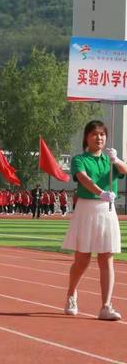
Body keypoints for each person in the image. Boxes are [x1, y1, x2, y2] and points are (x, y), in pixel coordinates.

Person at [63, 120, 127, 321]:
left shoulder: (110, 159)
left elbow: (125, 170)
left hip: (107, 210)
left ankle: (106, 305)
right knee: (82, 260)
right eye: (94, 134)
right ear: (86, 138)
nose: (98, 138)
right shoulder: (79, 159)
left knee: (106, 258)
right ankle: (71, 293)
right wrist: (100, 192)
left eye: (102, 135)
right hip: (87, 208)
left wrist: (116, 160)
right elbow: (83, 179)